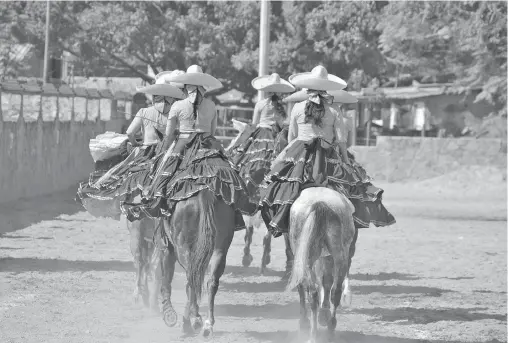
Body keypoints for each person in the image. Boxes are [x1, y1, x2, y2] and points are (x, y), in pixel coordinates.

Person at [258, 66, 396, 238]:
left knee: (277, 184)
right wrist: (346, 161)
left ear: (308, 88)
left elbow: (292, 137)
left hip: (299, 151)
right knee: (352, 188)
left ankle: (279, 221)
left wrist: (283, 156)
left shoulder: (297, 107)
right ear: (326, 88)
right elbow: (340, 140)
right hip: (327, 153)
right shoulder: (333, 109)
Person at [122, 65, 255, 231]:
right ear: (203, 87)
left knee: (162, 171)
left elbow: (169, 134)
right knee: (230, 169)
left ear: (185, 87)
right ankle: (238, 208)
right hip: (208, 143)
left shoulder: (177, 106)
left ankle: (154, 197)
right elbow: (212, 131)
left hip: (183, 143)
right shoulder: (212, 105)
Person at [76, 70, 186, 218]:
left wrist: (135, 145)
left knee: (121, 175)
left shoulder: (144, 111)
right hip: (168, 152)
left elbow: (129, 133)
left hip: (145, 151)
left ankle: (122, 203)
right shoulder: (176, 113)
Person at [228, 73, 295, 203]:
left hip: (261, 134)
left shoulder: (261, 104)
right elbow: (282, 124)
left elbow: (254, 125)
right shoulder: (283, 106)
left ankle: (247, 190)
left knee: (247, 159)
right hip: (277, 134)